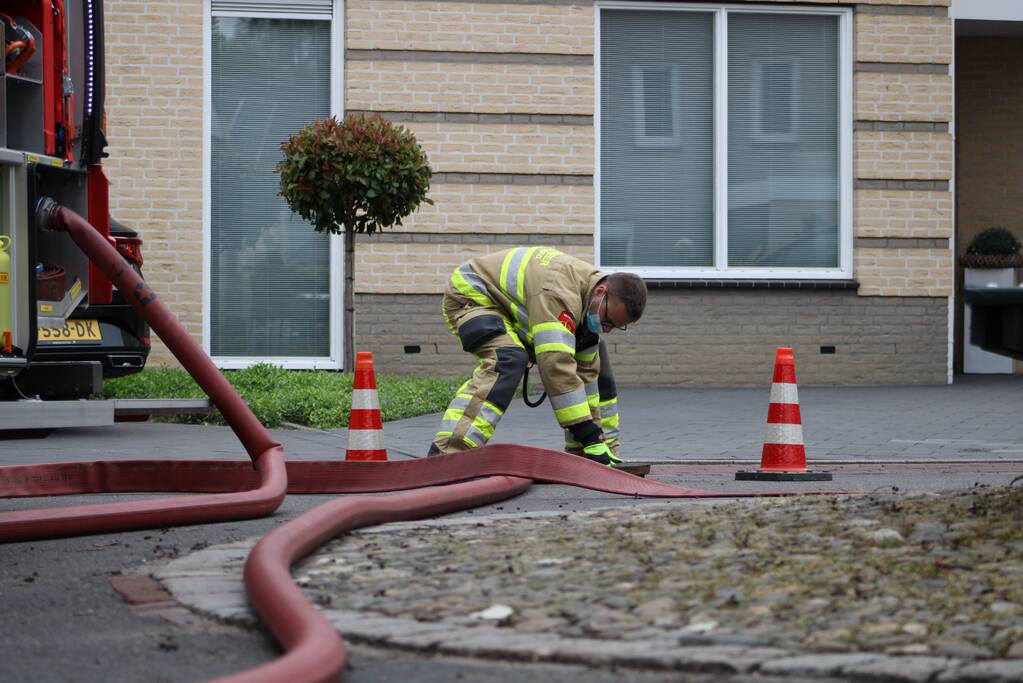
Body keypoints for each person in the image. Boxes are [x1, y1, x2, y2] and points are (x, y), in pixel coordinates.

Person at [428, 246, 647, 466]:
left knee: (597, 365)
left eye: (614, 327)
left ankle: (581, 455)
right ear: (600, 291)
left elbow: (587, 380)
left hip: (509, 305)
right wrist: (588, 434)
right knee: (508, 360)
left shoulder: (586, 300)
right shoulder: (558, 292)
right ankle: (448, 455)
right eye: (606, 320)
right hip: (473, 294)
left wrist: (598, 445)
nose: (605, 329)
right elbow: (555, 364)